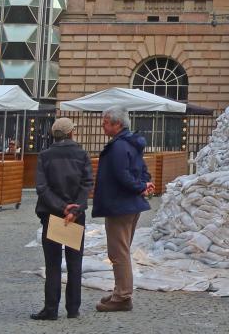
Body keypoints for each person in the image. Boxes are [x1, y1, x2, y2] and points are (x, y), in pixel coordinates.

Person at [91, 106, 155, 313]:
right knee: (122, 250)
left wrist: (140, 186)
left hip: (119, 205)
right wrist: (144, 185)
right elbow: (142, 171)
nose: (103, 125)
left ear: (118, 124)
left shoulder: (118, 146)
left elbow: (122, 175)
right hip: (129, 204)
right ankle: (120, 290)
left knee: (118, 252)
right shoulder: (131, 144)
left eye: (106, 122)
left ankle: (123, 296)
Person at [31, 117, 92, 321]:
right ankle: (73, 308)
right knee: (75, 263)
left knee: (53, 263)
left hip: (52, 214)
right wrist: (75, 209)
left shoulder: (45, 155)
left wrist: (61, 207)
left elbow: (42, 187)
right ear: (71, 133)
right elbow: (86, 184)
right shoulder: (81, 154)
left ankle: (51, 308)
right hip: (75, 216)